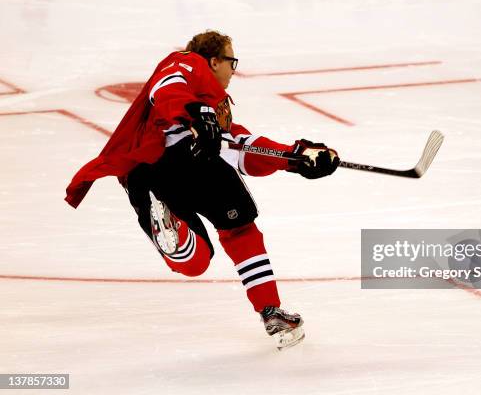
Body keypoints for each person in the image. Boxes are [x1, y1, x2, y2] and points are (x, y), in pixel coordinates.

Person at [65, 30, 339, 349]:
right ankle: (270, 310)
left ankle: (176, 231)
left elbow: (240, 147)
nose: (233, 71)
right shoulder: (186, 63)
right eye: (231, 62)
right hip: (183, 155)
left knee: (193, 262)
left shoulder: (212, 110)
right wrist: (194, 113)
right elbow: (165, 87)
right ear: (213, 60)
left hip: (144, 180)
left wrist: (295, 157)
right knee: (240, 231)